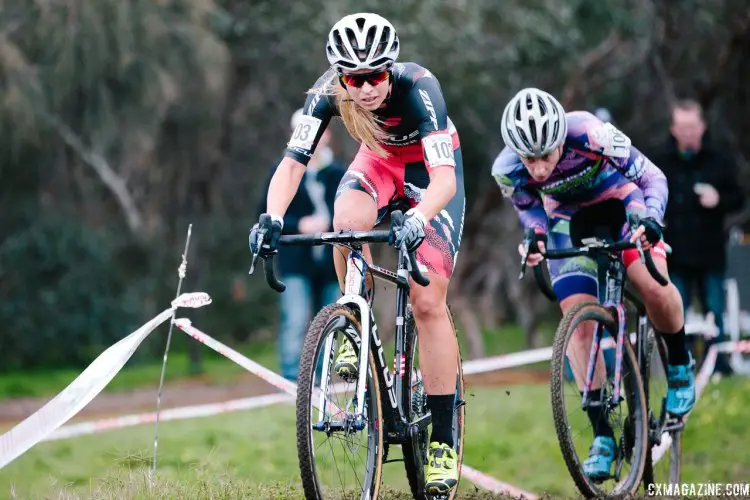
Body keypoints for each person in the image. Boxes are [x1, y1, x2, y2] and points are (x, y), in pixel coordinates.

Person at [249, 12, 465, 495]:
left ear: (390, 70)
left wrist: (418, 217)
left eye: (375, 76)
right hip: (378, 161)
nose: (366, 88)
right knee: (345, 223)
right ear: (340, 75)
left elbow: (446, 181)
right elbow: (291, 165)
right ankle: (354, 322)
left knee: (428, 300)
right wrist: (272, 218)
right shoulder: (324, 94)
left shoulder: (420, 87)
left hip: (431, 172)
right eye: (354, 78)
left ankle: (443, 441)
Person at [492, 88, 695, 481]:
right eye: (527, 158)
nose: (536, 169)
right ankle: (602, 431)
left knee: (651, 284)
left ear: (559, 141)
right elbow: (530, 208)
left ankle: (680, 361)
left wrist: (651, 218)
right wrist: (533, 235)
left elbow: (652, 176)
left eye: (545, 156)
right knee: (577, 324)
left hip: (622, 203)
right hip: (567, 221)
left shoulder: (589, 132)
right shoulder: (506, 169)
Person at [651, 99, 744, 376]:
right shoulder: (660, 163)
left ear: (702, 127)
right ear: (673, 129)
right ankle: (681, 365)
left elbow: (738, 198)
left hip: (709, 253)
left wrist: (719, 200)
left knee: (715, 310)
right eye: (682, 127)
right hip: (674, 254)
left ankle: (720, 365)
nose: (688, 132)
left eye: (692, 127)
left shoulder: (719, 161)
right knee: (675, 311)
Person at [256, 109, 346, 381]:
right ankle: (292, 379)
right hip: (296, 260)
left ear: (326, 135)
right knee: (295, 319)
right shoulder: (281, 172)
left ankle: (321, 380)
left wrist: (331, 221)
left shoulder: (339, 173)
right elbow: (267, 213)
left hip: (331, 261)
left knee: (329, 320)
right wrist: (299, 225)